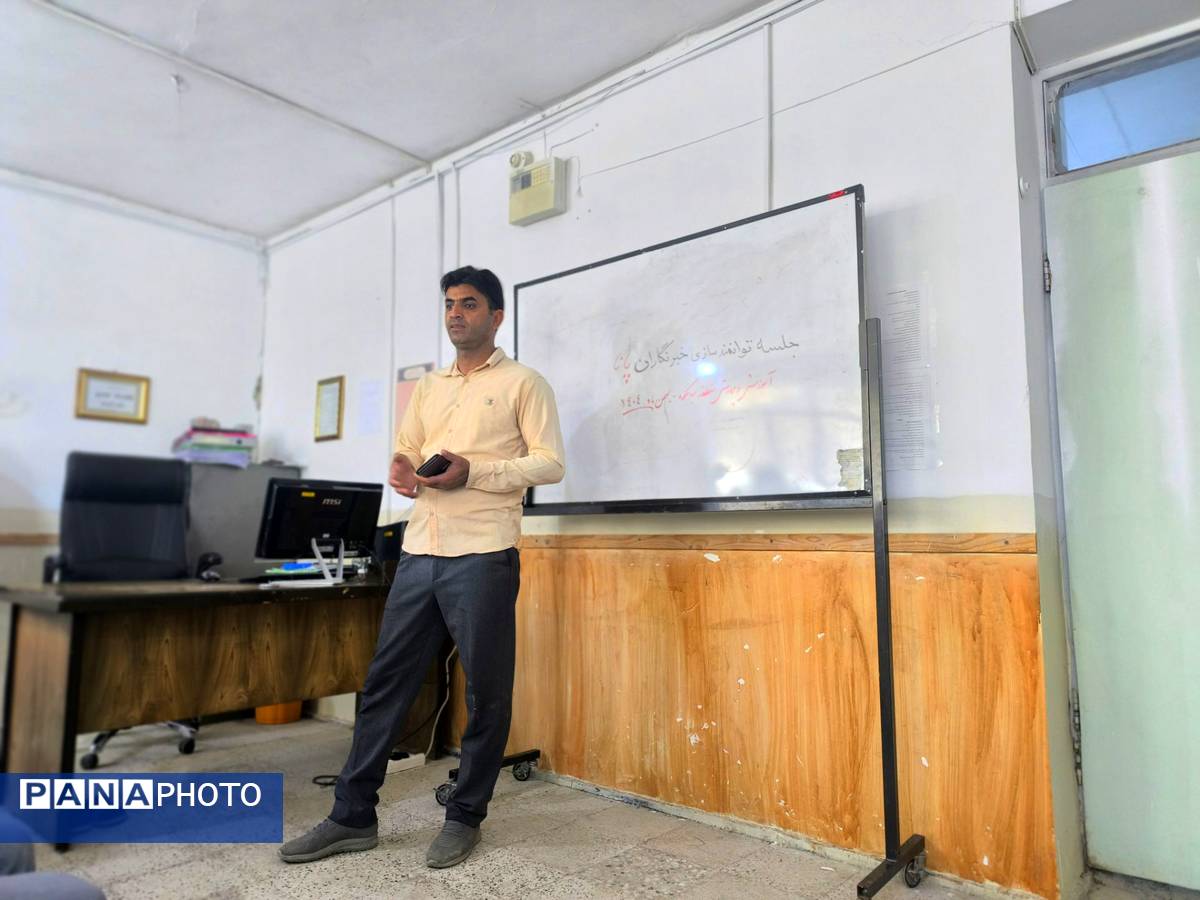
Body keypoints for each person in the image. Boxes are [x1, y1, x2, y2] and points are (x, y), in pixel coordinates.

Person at [279, 266, 565, 869]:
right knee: (385, 684)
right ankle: (352, 816)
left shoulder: (524, 382)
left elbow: (549, 463)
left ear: (496, 316)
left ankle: (464, 817)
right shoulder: (430, 388)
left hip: (483, 552)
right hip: (419, 549)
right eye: (450, 304)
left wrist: (474, 471)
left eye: (470, 304)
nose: (456, 313)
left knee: (486, 692)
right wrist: (402, 467)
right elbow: (408, 448)